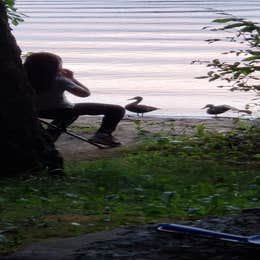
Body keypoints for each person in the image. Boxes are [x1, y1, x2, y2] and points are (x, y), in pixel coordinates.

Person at [24, 52, 125, 146]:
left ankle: (48, 140)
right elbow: (85, 93)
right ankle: (103, 135)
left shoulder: (22, 79)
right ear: (54, 68)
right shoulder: (60, 80)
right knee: (117, 109)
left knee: (68, 116)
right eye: (60, 65)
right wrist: (71, 78)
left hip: (35, 112)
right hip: (62, 110)